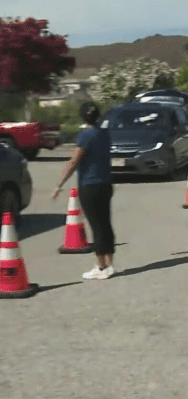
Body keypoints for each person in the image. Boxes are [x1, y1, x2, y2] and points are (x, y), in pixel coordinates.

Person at [51, 101, 116, 280]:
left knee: (96, 226)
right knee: (105, 223)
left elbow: (74, 161)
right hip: (105, 183)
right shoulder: (104, 134)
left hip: (90, 185)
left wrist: (59, 184)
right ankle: (109, 263)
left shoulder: (85, 136)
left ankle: (101, 266)